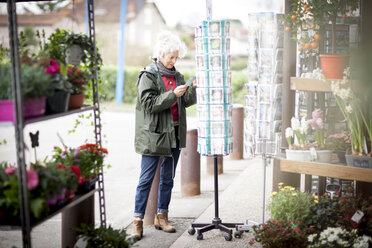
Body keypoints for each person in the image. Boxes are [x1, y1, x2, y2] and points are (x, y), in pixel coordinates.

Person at [130, 31, 197, 241]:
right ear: (160, 53)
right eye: (171, 57)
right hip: (154, 135)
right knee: (145, 180)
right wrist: (172, 95)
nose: (174, 61)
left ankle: (162, 216)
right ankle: (138, 222)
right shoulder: (148, 75)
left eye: (177, 57)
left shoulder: (177, 76)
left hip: (175, 133)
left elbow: (185, 102)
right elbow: (149, 105)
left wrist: (192, 89)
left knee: (168, 178)